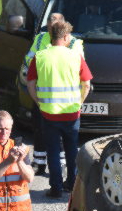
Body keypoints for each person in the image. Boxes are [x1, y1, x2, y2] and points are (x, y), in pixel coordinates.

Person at [26, 20, 92, 198]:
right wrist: (79, 102)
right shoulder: (75, 56)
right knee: (72, 150)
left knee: (53, 151)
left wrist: (38, 101)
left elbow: (30, 82)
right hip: (71, 113)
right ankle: (71, 184)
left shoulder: (40, 56)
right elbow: (86, 84)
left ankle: (55, 188)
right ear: (64, 36)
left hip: (49, 113)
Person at [20, 12, 84, 174]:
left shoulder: (74, 42)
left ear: (62, 26)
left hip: (64, 97)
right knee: (39, 128)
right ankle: (39, 161)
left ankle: (61, 169)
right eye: (50, 22)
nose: (52, 26)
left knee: (62, 136)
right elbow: (29, 59)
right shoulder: (41, 38)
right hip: (43, 92)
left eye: (55, 23)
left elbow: (79, 65)